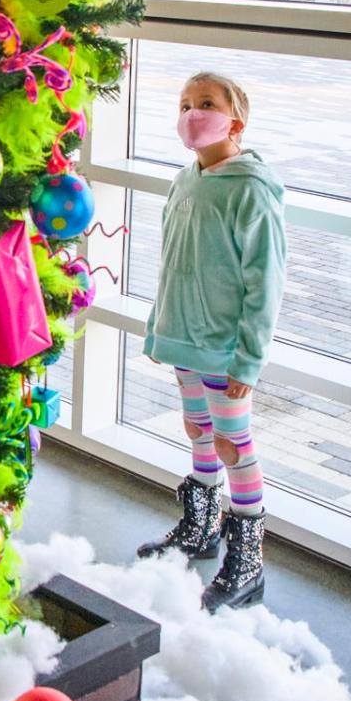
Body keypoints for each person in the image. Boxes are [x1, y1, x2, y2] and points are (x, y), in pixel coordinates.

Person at [138, 70, 286, 612]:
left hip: (225, 349)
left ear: (235, 123)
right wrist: (162, 328)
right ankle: (200, 528)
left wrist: (249, 359)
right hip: (184, 340)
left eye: (205, 104)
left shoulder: (251, 190)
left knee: (232, 444)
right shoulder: (185, 180)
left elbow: (264, 280)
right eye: (184, 103)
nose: (191, 113)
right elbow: (173, 261)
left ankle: (248, 562)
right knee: (197, 429)